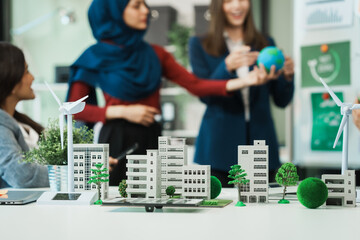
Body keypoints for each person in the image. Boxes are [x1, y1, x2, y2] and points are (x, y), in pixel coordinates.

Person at [67, 0, 265, 186]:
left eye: (145, 5)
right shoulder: (93, 57)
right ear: (114, 11)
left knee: (158, 201)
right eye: (137, 5)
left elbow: (195, 84)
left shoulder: (156, 54)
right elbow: (74, 109)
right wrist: (121, 112)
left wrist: (244, 81)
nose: (146, 10)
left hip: (152, 137)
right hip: (115, 141)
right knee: (114, 204)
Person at [189, 0, 295, 186]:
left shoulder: (266, 43)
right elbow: (205, 94)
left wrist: (287, 76)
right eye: (229, 1)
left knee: (263, 212)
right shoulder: (199, 44)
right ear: (218, 5)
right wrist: (227, 66)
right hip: (218, 150)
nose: (237, 6)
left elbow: (281, 100)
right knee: (216, 210)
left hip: (261, 145)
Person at [0, 42, 49, 188]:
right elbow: (22, 175)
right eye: (26, 71)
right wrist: (77, 173)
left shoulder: (17, 121)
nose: (32, 78)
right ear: (11, 80)